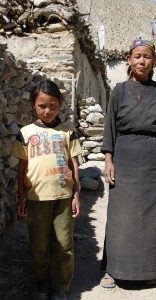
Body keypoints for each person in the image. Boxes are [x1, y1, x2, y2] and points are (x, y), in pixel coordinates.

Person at [100, 39, 156, 288]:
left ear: (153, 61)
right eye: (137, 56)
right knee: (121, 215)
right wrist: (108, 160)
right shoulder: (118, 90)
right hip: (125, 159)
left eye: (147, 56)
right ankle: (114, 269)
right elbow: (109, 129)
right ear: (129, 59)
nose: (141, 61)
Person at [12, 79, 82, 300]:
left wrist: (76, 195)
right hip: (36, 198)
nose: (48, 110)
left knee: (63, 245)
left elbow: (74, 164)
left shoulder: (66, 132)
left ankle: (60, 286)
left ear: (60, 103)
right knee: (39, 245)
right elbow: (22, 167)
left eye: (52, 105)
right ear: (33, 105)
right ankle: (42, 284)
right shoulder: (25, 133)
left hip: (63, 196)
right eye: (42, 105)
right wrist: (22, 197)